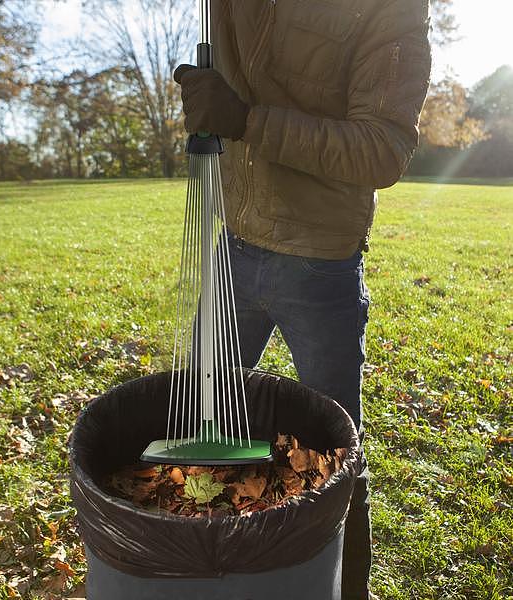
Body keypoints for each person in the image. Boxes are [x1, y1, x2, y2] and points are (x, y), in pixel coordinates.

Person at [174, 1, 432, 598]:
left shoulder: (389, 9)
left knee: (336, 452)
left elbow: (382, 149)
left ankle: (345, 588)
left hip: (320, 263)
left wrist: (245, 119)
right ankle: (205, 571)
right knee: (199, 421)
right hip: (232, 244)